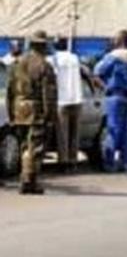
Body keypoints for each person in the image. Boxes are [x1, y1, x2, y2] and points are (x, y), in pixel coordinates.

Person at [6, 31, 58, 194]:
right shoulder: (44, 65)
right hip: (36, 110)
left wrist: (11, 113)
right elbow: (48, 94)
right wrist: (50, 115)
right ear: (43, 45)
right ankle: (29, 181)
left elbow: (10, 91)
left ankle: (26, 178)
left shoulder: (17, 63)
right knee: (35, 147)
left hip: (18, 108)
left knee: (24, 146)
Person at [94, 30, 127, 173]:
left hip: (115, 95)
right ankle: (123, 162)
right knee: (126, 130)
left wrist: (104, 86)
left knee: (113, 129)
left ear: (119, 41)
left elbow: (98, 71)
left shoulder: (114, 56)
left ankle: (109, 162)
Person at [48, 37, 83, 173]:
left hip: (62, 100)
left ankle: (64, 162)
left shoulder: (53, 60)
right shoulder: (75, 58)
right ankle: (73, 161)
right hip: (77, 98)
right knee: (75, 133)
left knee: (63, 134)